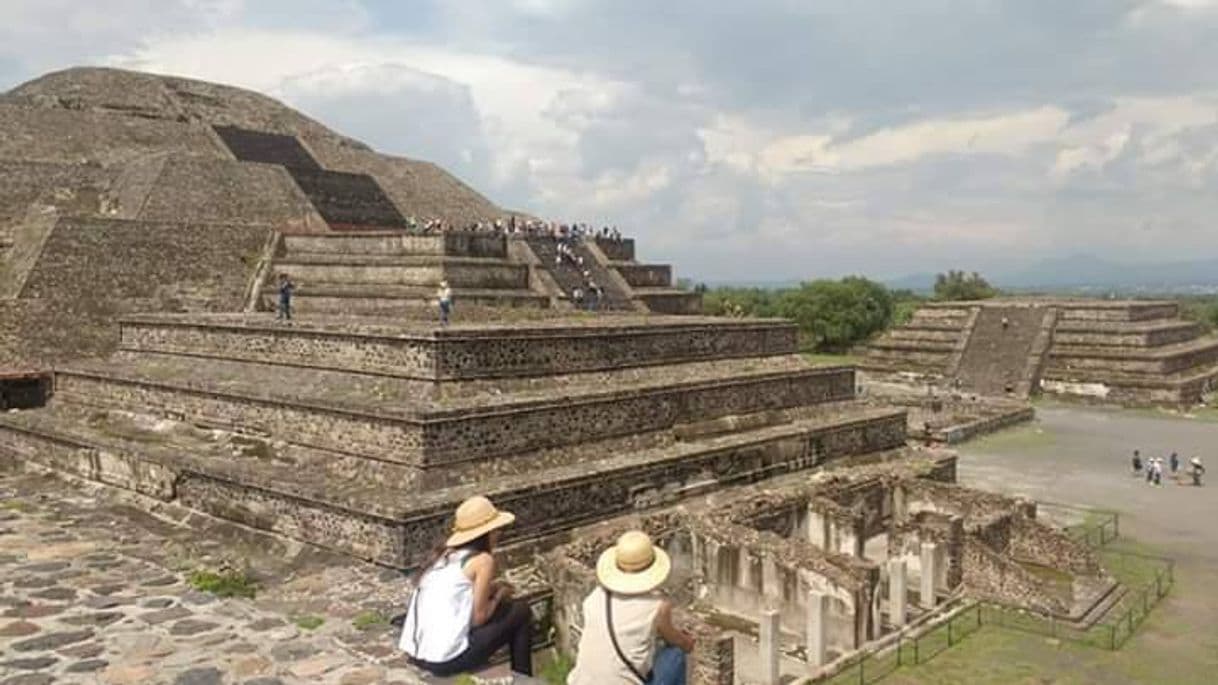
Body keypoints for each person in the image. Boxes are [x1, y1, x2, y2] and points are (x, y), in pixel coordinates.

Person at [399, 496, 534, 677]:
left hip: (416, 652)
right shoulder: (483, 561)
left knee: (504, 608)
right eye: (497, 530)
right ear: (488, 533)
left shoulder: (444, 554)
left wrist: (492, 589)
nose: (499, 534)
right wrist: (499, 594)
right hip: (444, 661)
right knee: (521, 611)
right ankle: (523, 677)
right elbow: (479, 618)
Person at [568, 531, 695, 685]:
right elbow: (682, 643)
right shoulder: (657, 607)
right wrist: (686, 639)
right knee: (676, 652)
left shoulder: (597, 596)